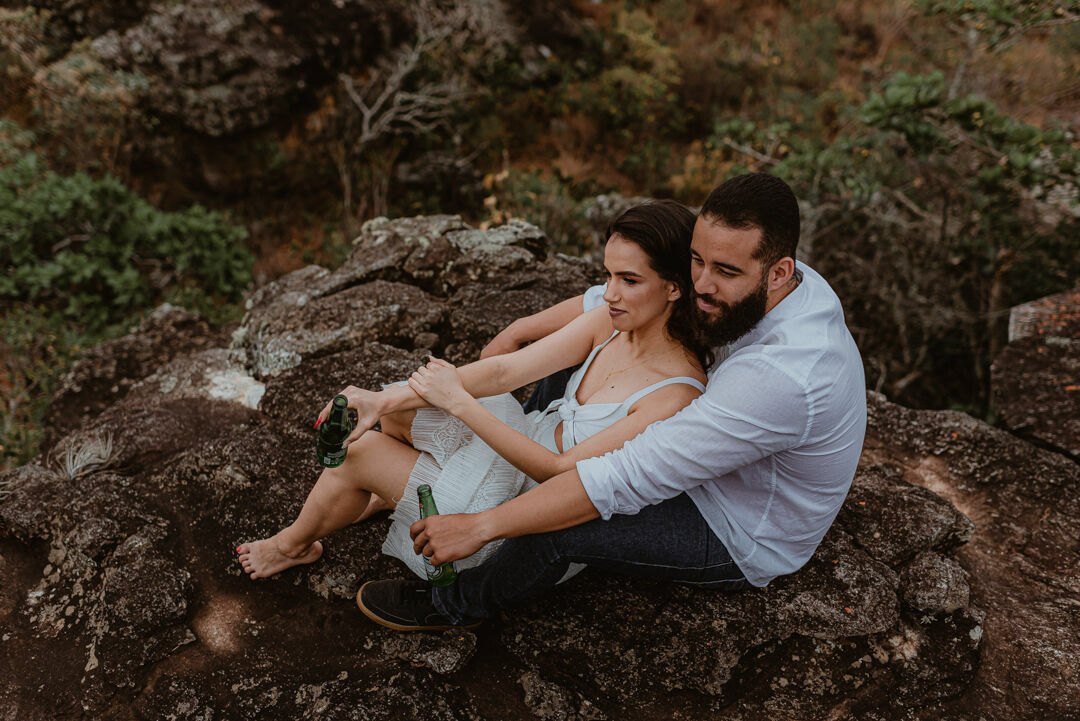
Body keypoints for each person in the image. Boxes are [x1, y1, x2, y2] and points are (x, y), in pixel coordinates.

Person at [355, 172, 868, 631]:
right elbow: (617, 302)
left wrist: (479, 526)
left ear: (778, 271)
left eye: (725, 272)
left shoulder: (782, 378)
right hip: (706, 445)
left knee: (564, 526)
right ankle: (491, 466)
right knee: (594, 354)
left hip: (734, 524)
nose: (701, 286)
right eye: (696, 261)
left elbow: (618, 479)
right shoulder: (766, 282)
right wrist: (520, 330)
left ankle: (455, 604)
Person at [236, 200, 710, 584]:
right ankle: (392, 488)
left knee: (360, 451)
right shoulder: (609, 322)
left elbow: (563, 473)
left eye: (629, 281)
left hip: (519, 512)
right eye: (607, 275)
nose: (608, 293)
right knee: (398, 412)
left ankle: (291, 546)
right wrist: (386, 399)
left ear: (673, 288)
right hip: (514, 446)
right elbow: (505, 372)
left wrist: (458, 402)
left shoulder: (675, 395)